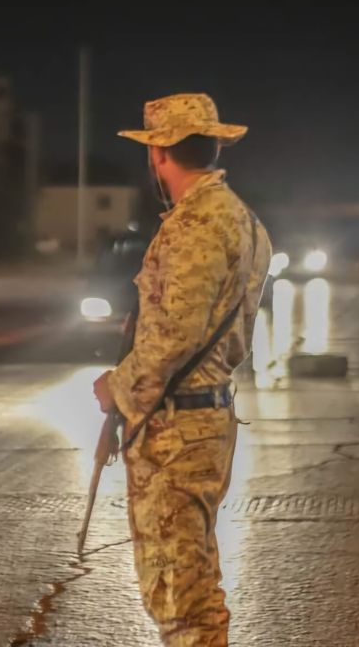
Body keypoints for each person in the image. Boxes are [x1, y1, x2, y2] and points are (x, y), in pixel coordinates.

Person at [93, 93, 269, 647]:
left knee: (180, 594)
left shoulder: (197, 224)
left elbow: (175, 333)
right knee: (188, 584)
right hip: (199, 421)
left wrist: (117, 386)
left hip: (178, 432)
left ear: (159, 154)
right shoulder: (241, 219)